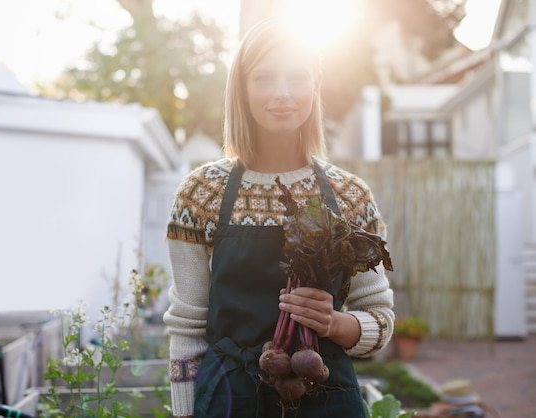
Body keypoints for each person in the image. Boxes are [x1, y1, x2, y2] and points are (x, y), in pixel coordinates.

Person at [163, 18, 394, 418]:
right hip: (229, 401)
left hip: (327, 397)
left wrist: (335, 323)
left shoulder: (349, 195)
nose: (282, 94)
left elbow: (381, 319)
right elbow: (187, 328)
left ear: (315, 85)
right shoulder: (200, 193)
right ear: (242, 89)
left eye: (297, 77)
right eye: (264, 78)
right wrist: (185, 413)